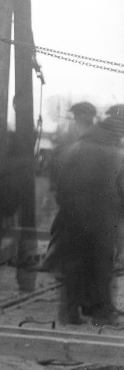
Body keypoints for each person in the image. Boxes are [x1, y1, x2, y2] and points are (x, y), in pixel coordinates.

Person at [50, 104, 124, 325]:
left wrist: (67, 208)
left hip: (73, 213)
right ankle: (100, 314)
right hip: (103, 216)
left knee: (74, 263)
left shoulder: (77, 146)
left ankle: (69, 313)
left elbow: (59, 182)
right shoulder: (115, 152)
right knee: (102, 264)